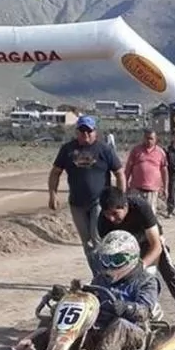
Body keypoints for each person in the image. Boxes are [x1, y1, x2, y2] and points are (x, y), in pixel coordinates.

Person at [16, 231, 160, 350]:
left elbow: (145, 311)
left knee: (120, 324)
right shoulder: (101, 279)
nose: (110, 265)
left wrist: (126, 307)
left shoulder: (146, 281)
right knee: (63, 321)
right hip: (100, 328)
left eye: (116, 260)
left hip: (133, 332)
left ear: (131, 258)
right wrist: (66, 295)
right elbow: (86, 298)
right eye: (106, 259)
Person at [49, 115, 125, 273]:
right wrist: (53, 195)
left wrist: (120, 199)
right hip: (77, 203)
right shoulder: (67, 150)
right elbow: (55, 172)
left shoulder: (104, 150)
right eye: (82, 131)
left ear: (95, 132)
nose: (85, 135)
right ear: (77, 132)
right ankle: (98, 274)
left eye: (89, 131)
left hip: (100, 202)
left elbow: (119, 173)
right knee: (87, 243)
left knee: (97, 239)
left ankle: (107, 273)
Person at [97, 186, 175, 304]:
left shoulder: (141, 207)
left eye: (115, 213)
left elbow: (156, 246)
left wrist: (140, 266)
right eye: (107, 214)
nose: (111, 218)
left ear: (125, 206)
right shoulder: (103, 222)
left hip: (147, 238)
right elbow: (108, 252)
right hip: (123, 246)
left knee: (165, 269)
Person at [124, 128, 168, 214]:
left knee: (149, 215)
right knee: (135, 214)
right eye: (146, 138)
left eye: (151, 138)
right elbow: (128, 169)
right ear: (143, 138)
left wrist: (165, 188)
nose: (148, 140)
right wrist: (125, 185)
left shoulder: (160, 152)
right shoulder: (136, 150)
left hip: (152, 191)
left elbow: (164, 171)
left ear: (155, 139)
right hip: (136, 190)